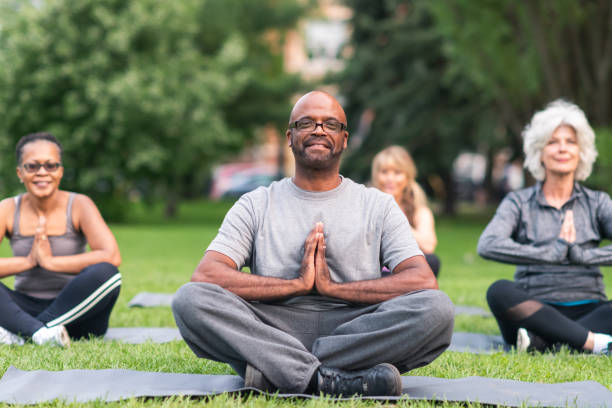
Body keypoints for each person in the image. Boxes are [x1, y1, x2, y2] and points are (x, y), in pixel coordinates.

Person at [172, 91, 454, 397]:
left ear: (344, 139)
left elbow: (422, 279)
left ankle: (277, 372)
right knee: (191, 299)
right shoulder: (255, 203)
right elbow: (208, 275)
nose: (319, 130)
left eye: (330, 125)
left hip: (357, 327)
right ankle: (333, 379)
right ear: (290, 137)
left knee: (437, 310)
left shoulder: (378, 205)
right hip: (272, 327)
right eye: (307, 123)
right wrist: (296, 285)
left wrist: (334, 289)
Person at [478, 100, 612, 354]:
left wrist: (584, 256)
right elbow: (488, 244)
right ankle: (593, 342)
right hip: (533, 309)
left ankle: (543, 342)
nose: (562, 148)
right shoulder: (518, 202)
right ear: (539, 152)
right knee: (499, 291)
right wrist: (549, 253)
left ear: (581, 151)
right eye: (552, 142)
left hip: (591, 307)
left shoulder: (598, 202)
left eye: (570, 142)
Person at [0, 132, 122, 347]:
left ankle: (26, 332)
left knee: (107, 273)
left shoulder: (79, 204)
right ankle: (38, 333)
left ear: (61, 172)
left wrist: (50, 262)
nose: (42, 172)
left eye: (51, 165)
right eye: (32, 166)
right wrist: (29, 261)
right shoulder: (8, 208)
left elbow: (111, 255)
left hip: (78, 314)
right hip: (24, 306)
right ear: (20, 173)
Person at [371, 146, 440, 276]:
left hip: (403, 268)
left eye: (397, 173)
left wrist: (393, 217)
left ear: (407, 177)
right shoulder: (367, 205)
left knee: (432, 261)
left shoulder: (420, 211)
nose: (390, 178)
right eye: (384, 172)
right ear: (376, 175)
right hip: (375, 269)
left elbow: (428, 246)